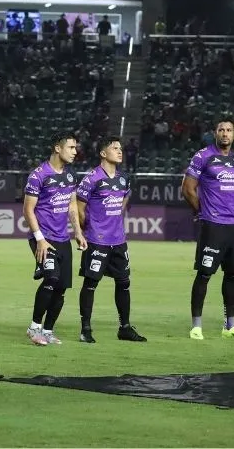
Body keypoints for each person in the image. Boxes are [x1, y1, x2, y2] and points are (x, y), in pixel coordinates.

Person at [182, 119, 234, 340]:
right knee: (204, 274)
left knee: (233, 275)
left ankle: (230, 325)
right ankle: (196, 326)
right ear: (215, 133)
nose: (225, 134)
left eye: (229, 130)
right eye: (221, 130)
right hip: (212, 225)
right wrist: (202, 212)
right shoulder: (203, 156)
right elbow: (188, 188)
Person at [74, 138, 147, 343]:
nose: (120, 151)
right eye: (115, 148)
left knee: (124, 283)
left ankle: (124, 327)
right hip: (96, 240)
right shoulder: (92, 178)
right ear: (103, 154)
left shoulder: (124, 178)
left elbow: (124, 200)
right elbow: (79, 208)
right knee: (91, 283)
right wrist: (88, 229)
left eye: (120, 148)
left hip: (118, 240)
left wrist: (115, 221)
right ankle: (85, 329)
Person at [22, 133, 87, 346]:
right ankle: (34, 328)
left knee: (61, 287)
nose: (75, 152)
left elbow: (71, 206)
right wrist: (39, 239)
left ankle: (48, 330)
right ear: (58, 149)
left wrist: (77, 232)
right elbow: (28, 209)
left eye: (75, 148)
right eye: (71, 147)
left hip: (62, 239)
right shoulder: (39, 175)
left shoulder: (70, 176)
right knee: (51, 278)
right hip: (43, 238)